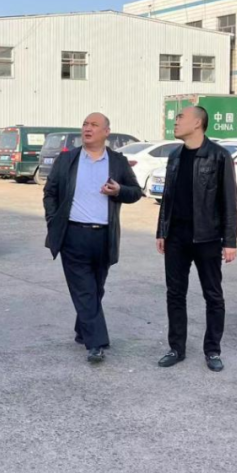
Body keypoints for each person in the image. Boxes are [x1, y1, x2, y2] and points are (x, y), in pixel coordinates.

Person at [43, 113, 142, 362]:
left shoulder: (117, 162)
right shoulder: (68, 159)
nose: (87, 128)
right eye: (85, 124)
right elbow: (50, 192)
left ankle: (83, 330)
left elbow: (135, 192)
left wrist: (119, 190)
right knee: (85, 290)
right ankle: (96, 343)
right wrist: (54, 221)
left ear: (106, 132)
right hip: (73, 234)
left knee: (95, 288)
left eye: (94, 125)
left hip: (104, 236)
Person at [155, 105, 237, 372]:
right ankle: (176, 348)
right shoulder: (175, 156)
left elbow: (230, 201)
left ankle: (212, 350)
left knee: (213, 295)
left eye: (181, 117)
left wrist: (230, 240)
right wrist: (162, 231)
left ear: (197, 123)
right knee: (174, 294)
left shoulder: (219, 156)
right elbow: (167, 197)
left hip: (208, 237)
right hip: (176, 237)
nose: (176, 121)